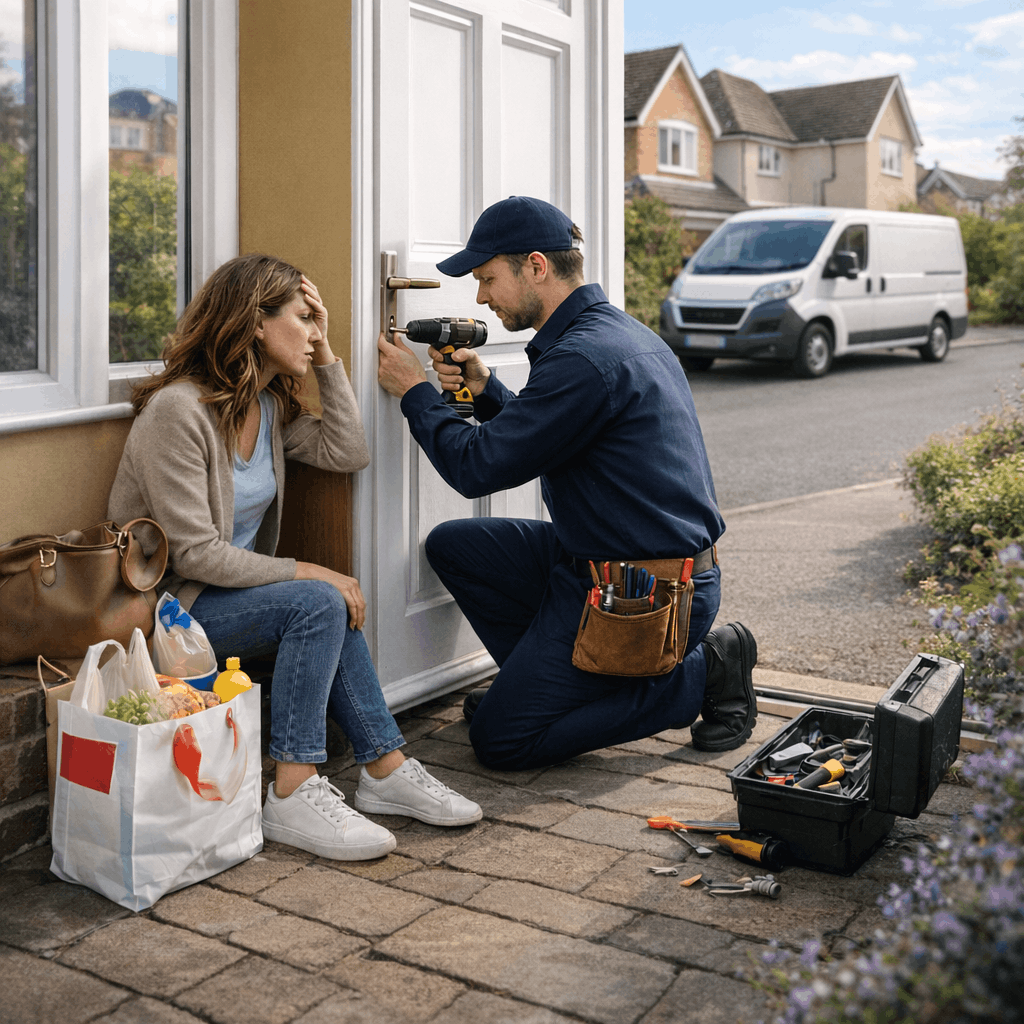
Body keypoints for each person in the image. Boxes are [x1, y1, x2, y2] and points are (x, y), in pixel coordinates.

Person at [109, 253, 481, 861]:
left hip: (230, 600)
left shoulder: (268, 408)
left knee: (323, 600)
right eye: (305, 320)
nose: (314, 333)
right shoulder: (178, 411)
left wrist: (329, 356)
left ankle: (385, 771)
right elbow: (197, 554)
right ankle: (293, 789)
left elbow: (348, 450)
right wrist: (312, 570)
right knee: (317, 597)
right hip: (171, 612)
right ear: (256, 323)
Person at [377, 196, 758, 772]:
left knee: (503, 741)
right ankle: (549, 690)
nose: (481, 296)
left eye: (487, 278)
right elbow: (553, 432)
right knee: (457, 547)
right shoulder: (610, 335)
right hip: (602, 558)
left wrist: (415, 393)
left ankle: (708, 670)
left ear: (536, 266)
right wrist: (486, 393)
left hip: (650, 592)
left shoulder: (583, 357)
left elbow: (478, 468)